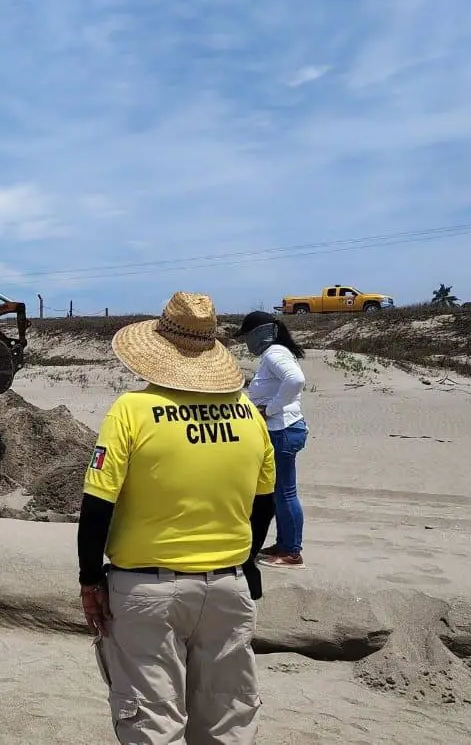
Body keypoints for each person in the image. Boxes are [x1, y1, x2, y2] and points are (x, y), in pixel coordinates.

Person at [79, 292, 275, 745]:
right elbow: (264, 503)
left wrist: (91, 580)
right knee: (228, 723)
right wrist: (247, 560)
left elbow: (97, 506)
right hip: (228, 588)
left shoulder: (132, 410)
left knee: (152, 724)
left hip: (149, 590)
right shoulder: (248, 413)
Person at [234, 310, 308, 570]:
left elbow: (296, 380)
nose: (246, 343)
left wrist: (270, 409)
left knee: (285, 492)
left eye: (246, 338)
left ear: (258, 334)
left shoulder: (274, 353)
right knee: (280, 492)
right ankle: (285, 543)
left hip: (282, 429)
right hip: (287, 428)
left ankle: (292, 552)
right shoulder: (277, 352)